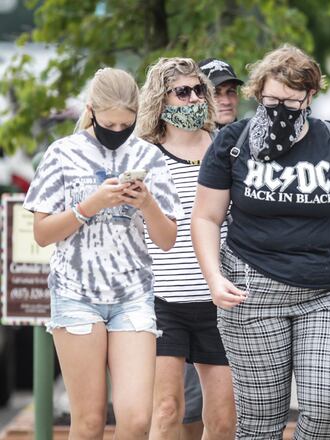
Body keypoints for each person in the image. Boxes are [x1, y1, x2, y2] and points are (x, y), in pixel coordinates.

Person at [191, 44, 330, 439]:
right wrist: (213, 278)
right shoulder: (232, 143)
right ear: (258, 94)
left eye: (290, 99)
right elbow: (206, 216)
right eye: (271, 99)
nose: (279, 107)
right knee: (260, 422)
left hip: (324, 293)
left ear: (310, 96)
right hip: (251, 295)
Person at [23, 67, 182, 439]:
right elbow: (43, 234)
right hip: (76, 293)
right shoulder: (62, 153)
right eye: (110, 124)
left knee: (137, 418)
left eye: (126, 125)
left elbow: (167, 239)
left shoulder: (149, 156)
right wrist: (89, 205)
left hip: (132, 295)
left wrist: (147, 204)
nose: (117, 132)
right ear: (91, 110)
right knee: (90, 421)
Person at [137, 57, 236, 440]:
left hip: (219, 300)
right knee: (166, 411)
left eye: (199, 90)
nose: (194, 98)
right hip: (161, 300)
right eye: (183, 91)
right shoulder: (144, 155)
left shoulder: (225, 145)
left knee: (224, 420)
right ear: (161, 100)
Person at [199, 58, 244, 128]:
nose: (226, 102)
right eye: (215, 93)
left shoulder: (254, 136)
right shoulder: (185, 138)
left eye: (231, 91)